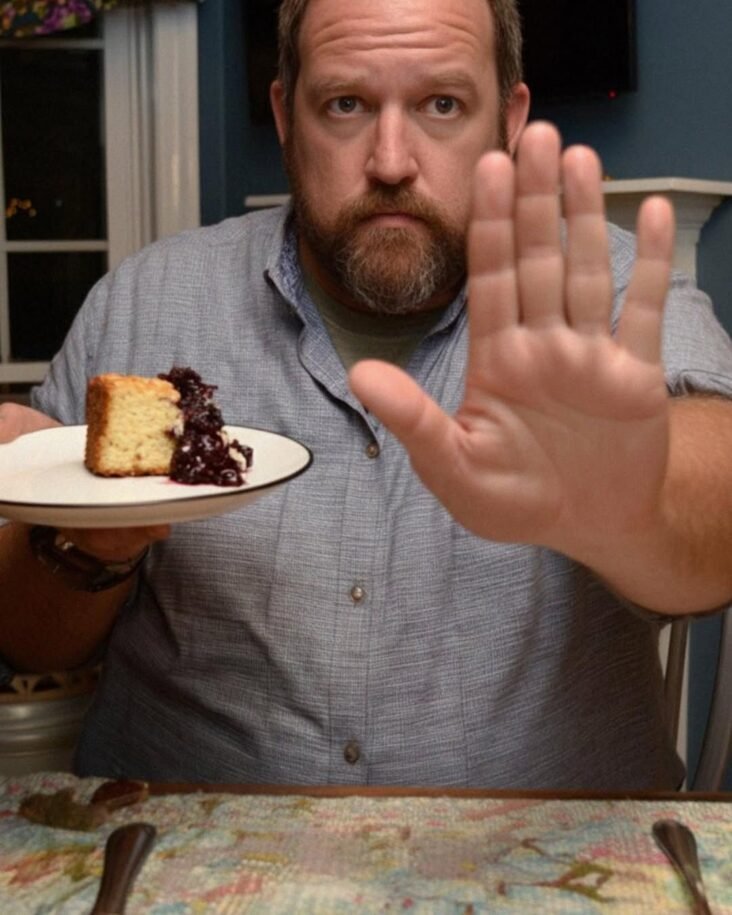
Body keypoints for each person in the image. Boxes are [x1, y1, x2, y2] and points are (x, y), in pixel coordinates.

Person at [1, 0, 731, 788]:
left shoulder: (614, 293)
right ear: (286, 115)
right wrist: (85, 543)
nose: (390, 161)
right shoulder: (145, 303)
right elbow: (28, 638)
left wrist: (634, 509)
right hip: (174, 844)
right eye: (345, 104)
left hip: (548, 853)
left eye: (441, 104)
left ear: (509, 119)